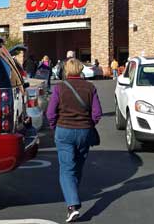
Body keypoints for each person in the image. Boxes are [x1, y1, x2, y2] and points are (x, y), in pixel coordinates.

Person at [47, 58, 102, 222]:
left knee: (66, 169)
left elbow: (50, 113)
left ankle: (72, 205)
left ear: (66, 70)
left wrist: (54, 127)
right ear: (80, 70)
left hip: (64, 130)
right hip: (84, 131)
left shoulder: (59, 87)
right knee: (77, 167)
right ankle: (73, 198)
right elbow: (97, 113)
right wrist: (88, 124)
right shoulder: (90, 87)